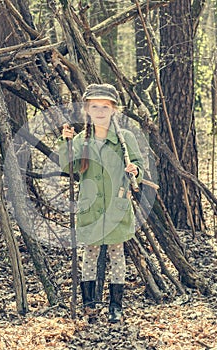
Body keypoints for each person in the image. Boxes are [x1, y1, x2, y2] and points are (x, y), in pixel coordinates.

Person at [58, 83, 144, 323]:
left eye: (105, 107)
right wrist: (63, 145)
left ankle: (116, 306)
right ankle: (89, 305)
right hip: (90, 209)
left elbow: (139, 166)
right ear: (87, 109)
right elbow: (69, 168)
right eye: (94, 106)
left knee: (117, 256)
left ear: (114, 109)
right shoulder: (80, 139)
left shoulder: (124, 139)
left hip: (116, 207)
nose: (99, 111)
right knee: (90, 255)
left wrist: (134, 170)